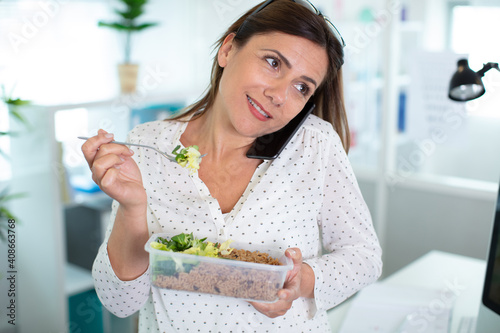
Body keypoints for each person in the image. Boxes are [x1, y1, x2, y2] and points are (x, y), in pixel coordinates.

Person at [82, 0, 382, 331]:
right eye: (273, 62)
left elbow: (364, 257)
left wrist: (303, 281)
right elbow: (120, 302)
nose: (280, 95)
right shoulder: (149, 146)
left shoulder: (315, 145)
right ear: (228, 50)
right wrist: (132, 208)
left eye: (302, 87)